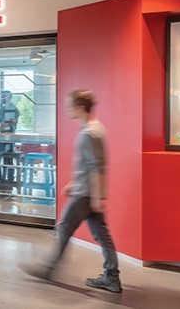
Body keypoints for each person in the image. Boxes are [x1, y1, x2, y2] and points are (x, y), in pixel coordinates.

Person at [21, 89, 121, 293]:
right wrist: (75, 184)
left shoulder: (89, 133)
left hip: (85, 195)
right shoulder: (94, 128)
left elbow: (97, 167)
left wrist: (96, 197)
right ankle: (111, 277)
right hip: (85, 191)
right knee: (102, 235)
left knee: (64, 227)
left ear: (80, 108)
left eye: (70, 106)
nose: (67, 110)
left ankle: (48, 269)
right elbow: (91, 166)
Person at [0, 90, 21, 189]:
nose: (3, 98)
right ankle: (0, 180)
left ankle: (8, 181)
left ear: (9, 97)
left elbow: (9, 123)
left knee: (7, 159)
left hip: (8, 138)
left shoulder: (14, 109)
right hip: (2, 137)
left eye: (4, 96)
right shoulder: (2, 109)